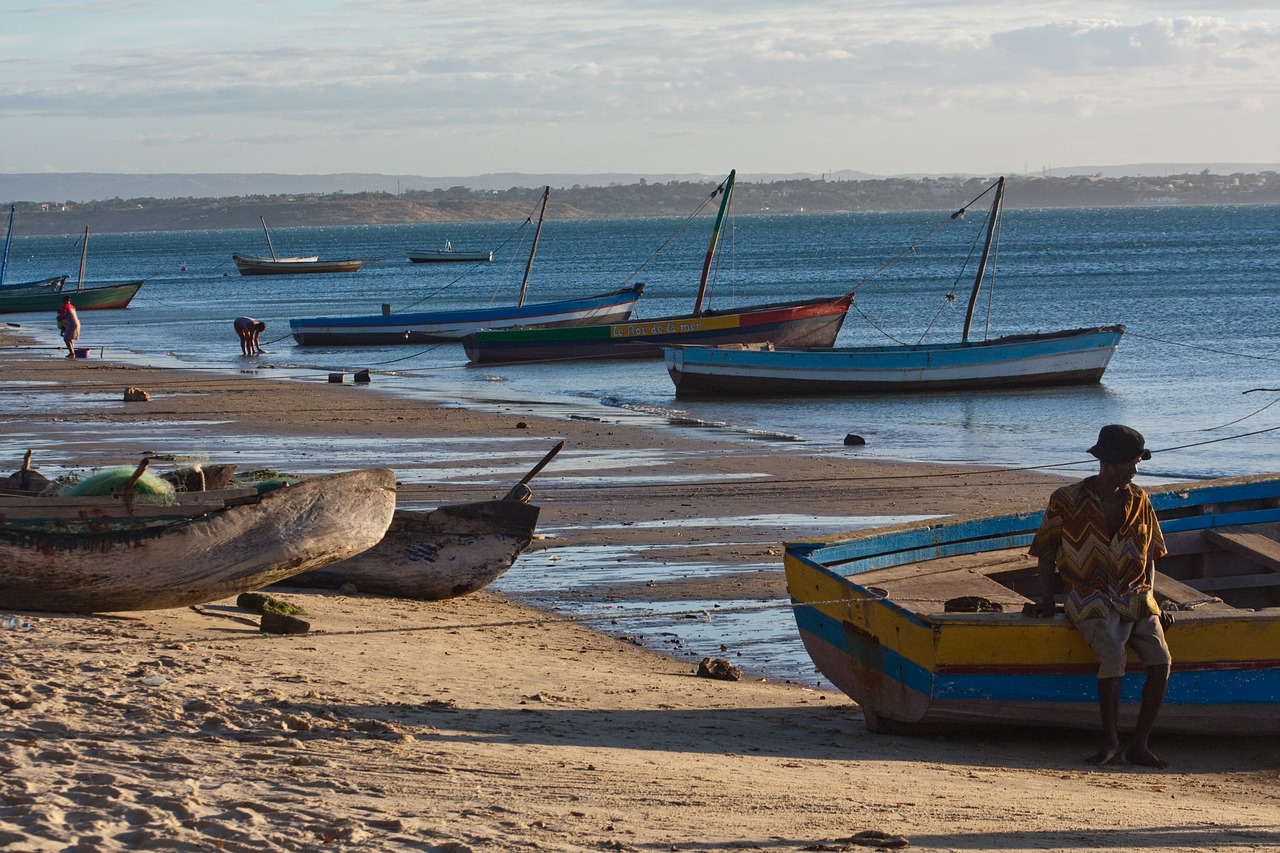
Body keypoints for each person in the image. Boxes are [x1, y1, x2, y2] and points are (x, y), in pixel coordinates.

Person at [1028, 424, 1171, 768]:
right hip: (1087, 596)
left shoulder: (1140, 500)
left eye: (1137, 464)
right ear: (1108, 464)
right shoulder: (1066, 499)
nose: (1135, 471)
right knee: (1112, 653)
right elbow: (1046, 553)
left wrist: (1151, 597)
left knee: (1161, 661)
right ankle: (1110, 742)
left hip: (1135, 597)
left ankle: (1140, 744)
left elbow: (1151, 554)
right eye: (1130, 464)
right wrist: (1047, 601)